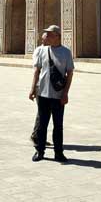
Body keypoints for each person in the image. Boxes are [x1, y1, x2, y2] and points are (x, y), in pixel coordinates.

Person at [29, 24, 73, 162]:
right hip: (42, 94)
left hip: (58, 95)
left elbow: (70, 73)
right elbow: (37, 71)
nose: (46, 36)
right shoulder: (42, 50)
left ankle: (58, 153)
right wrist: (32, 89)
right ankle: (39, 151)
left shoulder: (66, 52)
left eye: (49, 34)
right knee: (42, 125)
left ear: (57, 36)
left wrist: (65, 93)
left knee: (58, 126)